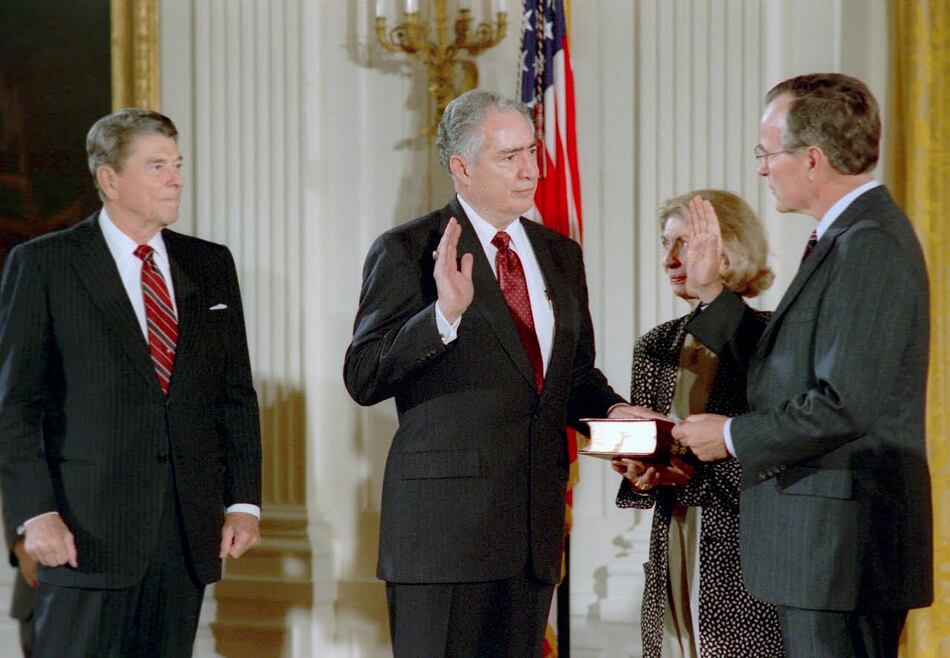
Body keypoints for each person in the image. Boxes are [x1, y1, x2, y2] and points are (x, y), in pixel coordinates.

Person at [344, 89, 637, 657]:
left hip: (531, 532)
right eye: (510, 157)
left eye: (532, 151)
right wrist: (442, 315)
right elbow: (364, 375)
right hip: (441, 535)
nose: (531, 170)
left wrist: (619, 418)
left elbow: (572, 378)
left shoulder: (560, 255)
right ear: (462, 166)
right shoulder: (409, 248)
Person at [674, 73, 933, 657]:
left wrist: (733, 435)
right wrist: (714, 295)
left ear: (812, 159)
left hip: (843, 554)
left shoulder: (868, 244)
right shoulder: (845, 236)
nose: (762, 168)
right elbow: (782, 369)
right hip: (822, 555)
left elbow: (846, 403)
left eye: (767, 153)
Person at [0, 108, 263, 657]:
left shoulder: (211, 264)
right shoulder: (45, 264)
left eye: (178, 164)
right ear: (109, 179)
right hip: (82, 534)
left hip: (184, 537)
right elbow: (16, 404)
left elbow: (234, 394)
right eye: (157, 165)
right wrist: (35, 514)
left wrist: (243, 502)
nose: (177, 179)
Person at [611, 189, 783, 658]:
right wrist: (643, 472)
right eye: (665, 243)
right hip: (674, 539)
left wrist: (696, 472)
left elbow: (781, 440)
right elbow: (652, 455)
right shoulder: (654, 346)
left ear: (726, 251)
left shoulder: (773, 336)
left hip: (743, 546)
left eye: (684, 243)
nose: (669, 258)